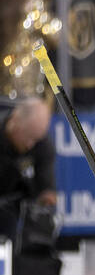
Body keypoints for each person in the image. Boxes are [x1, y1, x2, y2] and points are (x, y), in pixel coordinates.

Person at [0, 98, 55, 247]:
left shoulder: (42, 143)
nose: (30, 144)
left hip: (13, 204)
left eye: (35, 139)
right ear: (14, 123)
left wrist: (44, 204)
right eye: (28, 136)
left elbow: (46, 191)